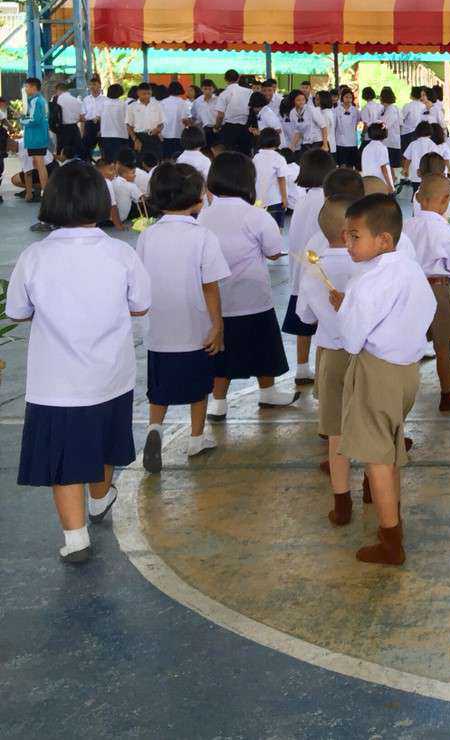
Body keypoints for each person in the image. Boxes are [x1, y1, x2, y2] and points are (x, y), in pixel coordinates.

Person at [9, 162, 150, 563]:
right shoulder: (121, 252)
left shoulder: (34, 256)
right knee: (103, 442)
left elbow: (17, 311)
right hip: (110, 375)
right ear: (100, 201)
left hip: (56, 383)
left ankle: (75, 539)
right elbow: (141, 305)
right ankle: (100, 499)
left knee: (63, 458)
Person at [329, 193, 436, 565]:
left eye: (355, 236)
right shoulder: (410, 268)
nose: (347, 242)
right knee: (389, 452)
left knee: (376, 459)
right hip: (406, 371)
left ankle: (391, 541)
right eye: (347, 235)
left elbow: (351, 339)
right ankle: (394, 523)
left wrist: (345, 308)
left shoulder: (368, 281)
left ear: (384, 240)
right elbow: (428, 308)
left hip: (377, 372)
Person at [136, 163, 230, 472]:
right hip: (195, 328)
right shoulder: (202, 236)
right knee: (198, 388)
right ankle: (196, 438)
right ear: (197, 198)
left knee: (159, 388)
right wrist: (217, 325)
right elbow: (210, 286)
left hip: (159, 330)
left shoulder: (148, 236)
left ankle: (154, 429)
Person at [198, 151, 299, 417]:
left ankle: (218, 402)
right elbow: (274, 252)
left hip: (216, 300)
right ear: (248, 181)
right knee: (262, 347)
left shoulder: (203, 216)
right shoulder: (256, 216)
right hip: (252, 298)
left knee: (220, 351)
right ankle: (268, 392)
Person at [295, 197, 369, 525]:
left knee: (336, 432)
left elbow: (305, 316)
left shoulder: (313, 268)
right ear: (348, 232)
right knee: (368, 422)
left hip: (332, 353)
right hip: (366, 353)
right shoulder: (366, 266)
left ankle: (341, 502)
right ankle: (371, 485)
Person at [402, 174, 450, 411]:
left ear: (418, 198)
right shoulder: (445, 230)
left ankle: (403, 399)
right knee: (443, 348)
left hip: (412, 290)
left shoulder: (406, 226)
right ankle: (446, 395)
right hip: (438, 289)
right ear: (446, 200)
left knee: (410, 347)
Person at [280, 147, 337, 383]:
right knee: (325, 321)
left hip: (299, 269)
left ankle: (302, 368)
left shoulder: (302, 201)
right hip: (320, 270)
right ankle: (324, 368)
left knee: (302, 323)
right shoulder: (328, 201)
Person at [251, 128, 290, 227]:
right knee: (276, 229)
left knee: (259, 227)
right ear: (277, 141)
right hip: (275, 200)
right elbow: (281, 179)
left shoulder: (256, 157)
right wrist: (284, 198)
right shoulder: (279, 158)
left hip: (258, 200)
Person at [21, 77, 51, 202]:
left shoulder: (35, 100)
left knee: (40, 165)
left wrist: (21, 120)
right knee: (38, 164)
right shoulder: (41, 100)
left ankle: (45, 192)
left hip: (36, 138)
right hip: (39, 137)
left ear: (33, 87)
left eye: (27, 87)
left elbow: (34, 120)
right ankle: (44, 191)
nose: (25, 89)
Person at [215, 69, 253, 154]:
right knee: (245, 155)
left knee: (230, 154)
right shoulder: (249, 91)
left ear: (225, 79)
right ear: (238, 78)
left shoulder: (224, 94)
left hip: (230, 128)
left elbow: (220, 115)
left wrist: (217, 127)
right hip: (246, 127)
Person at [53, 79, 85, 161]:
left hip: (62, 129)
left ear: (58, 90)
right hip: (74, 128)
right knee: (76, 152)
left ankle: (63, 167)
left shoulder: (57, 99)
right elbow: (82, 118)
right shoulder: (76, 100)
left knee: (62, 153)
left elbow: (54, 116)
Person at [159, 81, 191, 159]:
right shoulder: (183, 102)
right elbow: (184, 120)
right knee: (178, 158)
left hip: (165, 134)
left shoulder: (162, 102)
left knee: (166, 157)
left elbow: (159, 119)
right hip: (178, 134)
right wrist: (189, 127)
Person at [360, 123, 394, 192]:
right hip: (379, 182)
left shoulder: (366, 148)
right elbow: (384, 168)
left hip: (368, 182)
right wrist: (390, 185)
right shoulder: (382, 148)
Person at [377, 88, 402, 182]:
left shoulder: (392, 109)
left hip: (390, 141)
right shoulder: (385, 108)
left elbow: (385, 124)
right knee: (387, 164)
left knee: (387, 163)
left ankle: (392, 181)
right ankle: (392, 180)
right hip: (387, 141)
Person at [333, 88, 361, 167]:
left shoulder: (355, 110)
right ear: (342, 97)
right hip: (340, 142)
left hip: (352, 142)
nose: (348, 99)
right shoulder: (336, 110)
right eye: (346, 97)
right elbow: (334, 126)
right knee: (342, 165)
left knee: (350, 165)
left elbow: (358, 121)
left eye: (350, 97)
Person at [191, 79, 219, 151]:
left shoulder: (218, 100)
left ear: (213, 89)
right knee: (205, 150)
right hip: (204, 129)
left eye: (210, 89)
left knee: (216, 150)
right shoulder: (198, 101)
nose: (208, 91)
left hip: (217, 128)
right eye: (205, 89)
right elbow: (194, 116)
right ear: (202, 89)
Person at [81, 75, 104, 159]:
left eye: (95, 84)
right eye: (91, 85)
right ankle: (87, 164)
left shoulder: (105, 99)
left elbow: (107, 115)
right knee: (86, 150)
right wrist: (82, 132)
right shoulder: (86, 99)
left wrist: (100, 121)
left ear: (100, 86)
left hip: (102, 125)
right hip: (89, 125)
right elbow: (83, 116)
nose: (92, 87)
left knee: (104, 149)